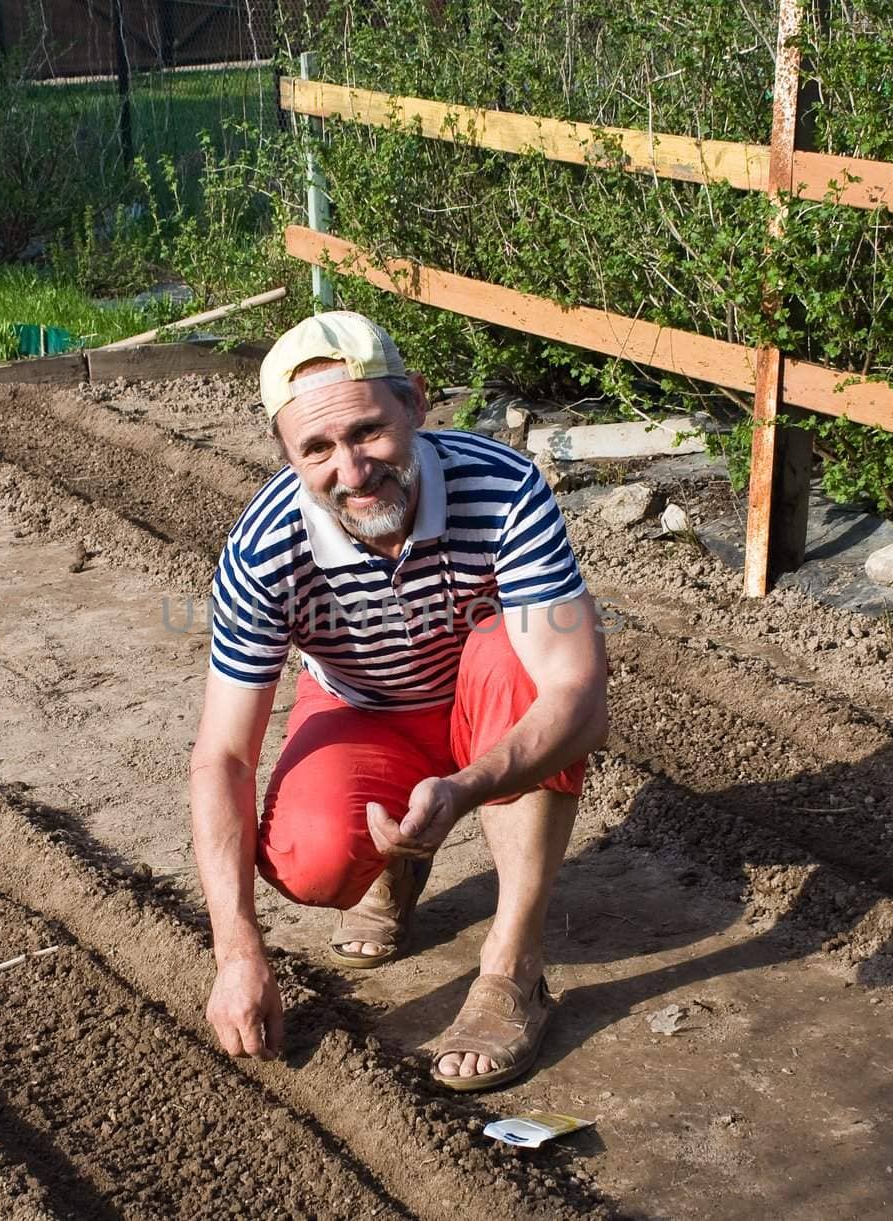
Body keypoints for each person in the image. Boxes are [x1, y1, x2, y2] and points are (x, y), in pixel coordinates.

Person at [189, 310, 608, 1091]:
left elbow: (579, 697)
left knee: (517, 660)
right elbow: (222, 754)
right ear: (287, 454)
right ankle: (396, 861)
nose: (351, 469)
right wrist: (238, 952)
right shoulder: (264, 545)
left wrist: (465, 786)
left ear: (415, 403)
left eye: (367, 432)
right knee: (309, 858)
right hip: (365, 706)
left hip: (487, 701)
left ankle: (514, 967)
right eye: (316, 448)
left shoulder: (503, 487)